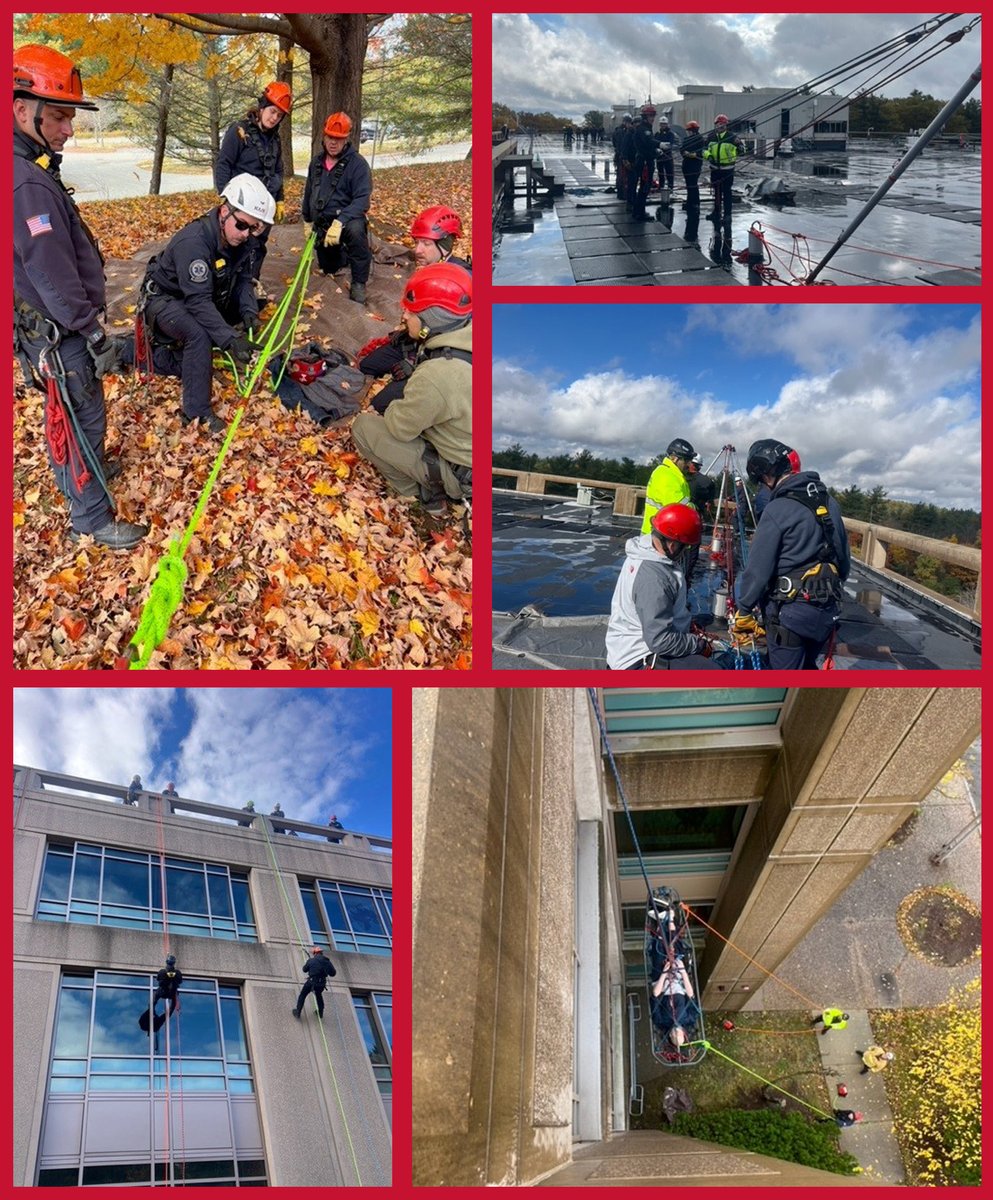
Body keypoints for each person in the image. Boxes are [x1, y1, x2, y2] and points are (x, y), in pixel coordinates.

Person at [13, 45, 148, 550]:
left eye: (71, 116)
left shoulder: (28, 168)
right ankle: (92, 519)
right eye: (60, 116)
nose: (69, 128)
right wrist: (92, 331)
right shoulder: (26, 185)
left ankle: (86, 475)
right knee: (78, 414)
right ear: (22, 110)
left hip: (47, 329)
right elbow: (50, 276)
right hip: (59, 332)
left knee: (80, 416)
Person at [123, 173, 273, 433]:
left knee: (199, 357)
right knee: (199, 336)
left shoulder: (238, 238)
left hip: (202, 294)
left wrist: (248, 311)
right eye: (242, 225)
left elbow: (243, 279)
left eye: (255, 228)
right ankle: (196, 412)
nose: (247, 234)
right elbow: (198, 302)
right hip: (165, 301)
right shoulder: (194, 243)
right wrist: (229, 339)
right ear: (225, 212)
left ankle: (185, 361)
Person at [352, 263, 472, 524]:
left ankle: (424, 497)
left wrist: (399, 403)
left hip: (461, 474)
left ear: (433, 320)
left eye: (412, 311)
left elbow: (400, 428)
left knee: (363, 426)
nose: (404, 316)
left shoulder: (437, 374)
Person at [735, 440, 850, 670]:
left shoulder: (777, 509)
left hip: (790, 616)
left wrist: (744, 610)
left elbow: (758, 570)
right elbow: (844, 562)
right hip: (827, 611)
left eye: (763, 481)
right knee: (808, 666)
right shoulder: (830, 503)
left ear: (768, 475)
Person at [357, 206, 469, 414]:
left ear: (445, 245)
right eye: (417, 242)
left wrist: (419, 365)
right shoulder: (432, 268)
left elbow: (458, 338)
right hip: (416, 339)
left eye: (426, 244)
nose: (418, 250)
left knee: (379, 407)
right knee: (367, 366)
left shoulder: (460, 281)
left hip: (441, 355)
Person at [605, 505, 723, 671]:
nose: (686, 552)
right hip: (638, 659)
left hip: (632, 647)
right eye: (686, 547)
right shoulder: (654, 580)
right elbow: (660, 641)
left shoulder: (644, 550)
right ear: (673, 545)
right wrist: (698, 644)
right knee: (715, 673)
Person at [214, 80, 292, 296]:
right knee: (233, 244)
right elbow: (223, 165)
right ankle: (224, 288)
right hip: (239, 204)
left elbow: (277, 171)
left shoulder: (275, 140)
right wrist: (225, 198)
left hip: (263, 206)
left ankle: (249, 287)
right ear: (262, 107)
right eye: (272, 111)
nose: (274, 117)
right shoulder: (239, 132)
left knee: (257, 247)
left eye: (279, 115)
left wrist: (279, 200)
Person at [302, 112, 372, 303]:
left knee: (356, 232)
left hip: (347, 219)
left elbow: (362, 199)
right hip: (323, 222)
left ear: (346, 139)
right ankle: (341, 257)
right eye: (330, 137)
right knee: (329, 267)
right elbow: (309, 192)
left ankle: (359, 282)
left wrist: (341, 222)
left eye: (338, 139)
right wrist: (307, 219)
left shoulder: (358, 164)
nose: (333, 142)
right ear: (324, 136)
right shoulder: (316, 163)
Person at [641, 438, 696, 533]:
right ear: (674, 458)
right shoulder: (666, 475)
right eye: (686, 460)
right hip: (658, 535)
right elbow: (679, 508)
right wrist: (694, 508)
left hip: (662, 532)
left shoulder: (672, 473)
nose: (689, 464)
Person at [703, 114, 744, 230]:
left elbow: (743, 150)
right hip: (715, 169)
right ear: (715, 125)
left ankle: (727, 215)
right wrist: (708, 155)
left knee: (727, 193)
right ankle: (716, 213)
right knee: (716, 192)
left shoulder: (732, 137)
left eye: (723, 124)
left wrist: (740, 147)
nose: (721, 126)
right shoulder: (711, 137)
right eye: (719, 124)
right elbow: (704, 150)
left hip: (728, 170)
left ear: (726, 125)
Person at [650, 955, 699, 1048]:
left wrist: (664, 973)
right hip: (680, 983)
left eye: (674, 1036)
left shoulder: (660, 1021)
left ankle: (657, 941)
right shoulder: (689, 1019)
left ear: (670, 1035)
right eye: (679, 1035)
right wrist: (683, 972)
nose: (676, 1032)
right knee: (677, 954)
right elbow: (691, 996)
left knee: (658, 957)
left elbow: (654, 996)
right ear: (684, 1034)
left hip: (662, 985)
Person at [140, 954, 183, 1034]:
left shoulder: (144, 1025)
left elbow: (153, 1002)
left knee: (156, 999)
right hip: (167, 991)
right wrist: (153, 1012)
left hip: (167, 991)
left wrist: (152, 1011)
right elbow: (155, 1003)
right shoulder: (164, 974)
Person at [292, 946, 337, 1019]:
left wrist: (309, 962)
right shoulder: (327, 961)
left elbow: (304, 969)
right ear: (321, 953)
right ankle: (320, 1013)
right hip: (321, 984)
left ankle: (298, 1012)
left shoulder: (311, 960)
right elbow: (333, 973)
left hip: (311, 982)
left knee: (303, 995)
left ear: (314, 953)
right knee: (319, 996)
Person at [630, 104, 657, 221]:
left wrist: (656, 151)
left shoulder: (646, 128)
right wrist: (659, 144)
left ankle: (638, 211)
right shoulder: (643, 129)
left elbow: (646, 146)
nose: (653, 118)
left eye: (653, 115)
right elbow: (649, 141)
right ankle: (639, 213)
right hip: (644, 162)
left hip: (645, 160)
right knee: (644, 187)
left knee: (644, 187)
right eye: (650, 116)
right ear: (645, 117)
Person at [680, 119, 705, 211]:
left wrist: (695, 154)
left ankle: (695, 203)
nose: (688, 133)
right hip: (686, 164)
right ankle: (689, 202)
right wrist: (685, 153)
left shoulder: (700, 139)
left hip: (695, 165)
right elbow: (681, 149)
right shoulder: (686, 139)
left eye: (689, 131)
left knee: (693, 184)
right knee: (688, 184)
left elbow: (702, 151)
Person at [655, 114, 676, 192]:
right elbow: (654, 143)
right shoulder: (657, 134)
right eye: (662, 124)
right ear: (660, 125)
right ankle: (661, 186)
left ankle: (670, 187)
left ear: (667, 124)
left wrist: (661, 146)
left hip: (668, 156)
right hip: (659, 157)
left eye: (664, 124)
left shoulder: (670, 134)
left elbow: (670, 144)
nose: (663, 125)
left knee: (669, 172)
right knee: (660, 173)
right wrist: (657, 149)